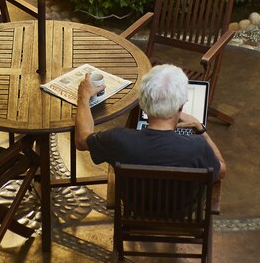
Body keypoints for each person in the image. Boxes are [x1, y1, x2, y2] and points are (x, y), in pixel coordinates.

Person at [74, 64, 226, 182]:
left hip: (135, 212)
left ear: (142, 103)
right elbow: (221, 170)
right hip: (181, 214)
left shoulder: (118, 139)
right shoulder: (197, 147)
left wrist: (84, 96)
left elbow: (81, 140)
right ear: (181, 106)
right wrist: (200, 128)